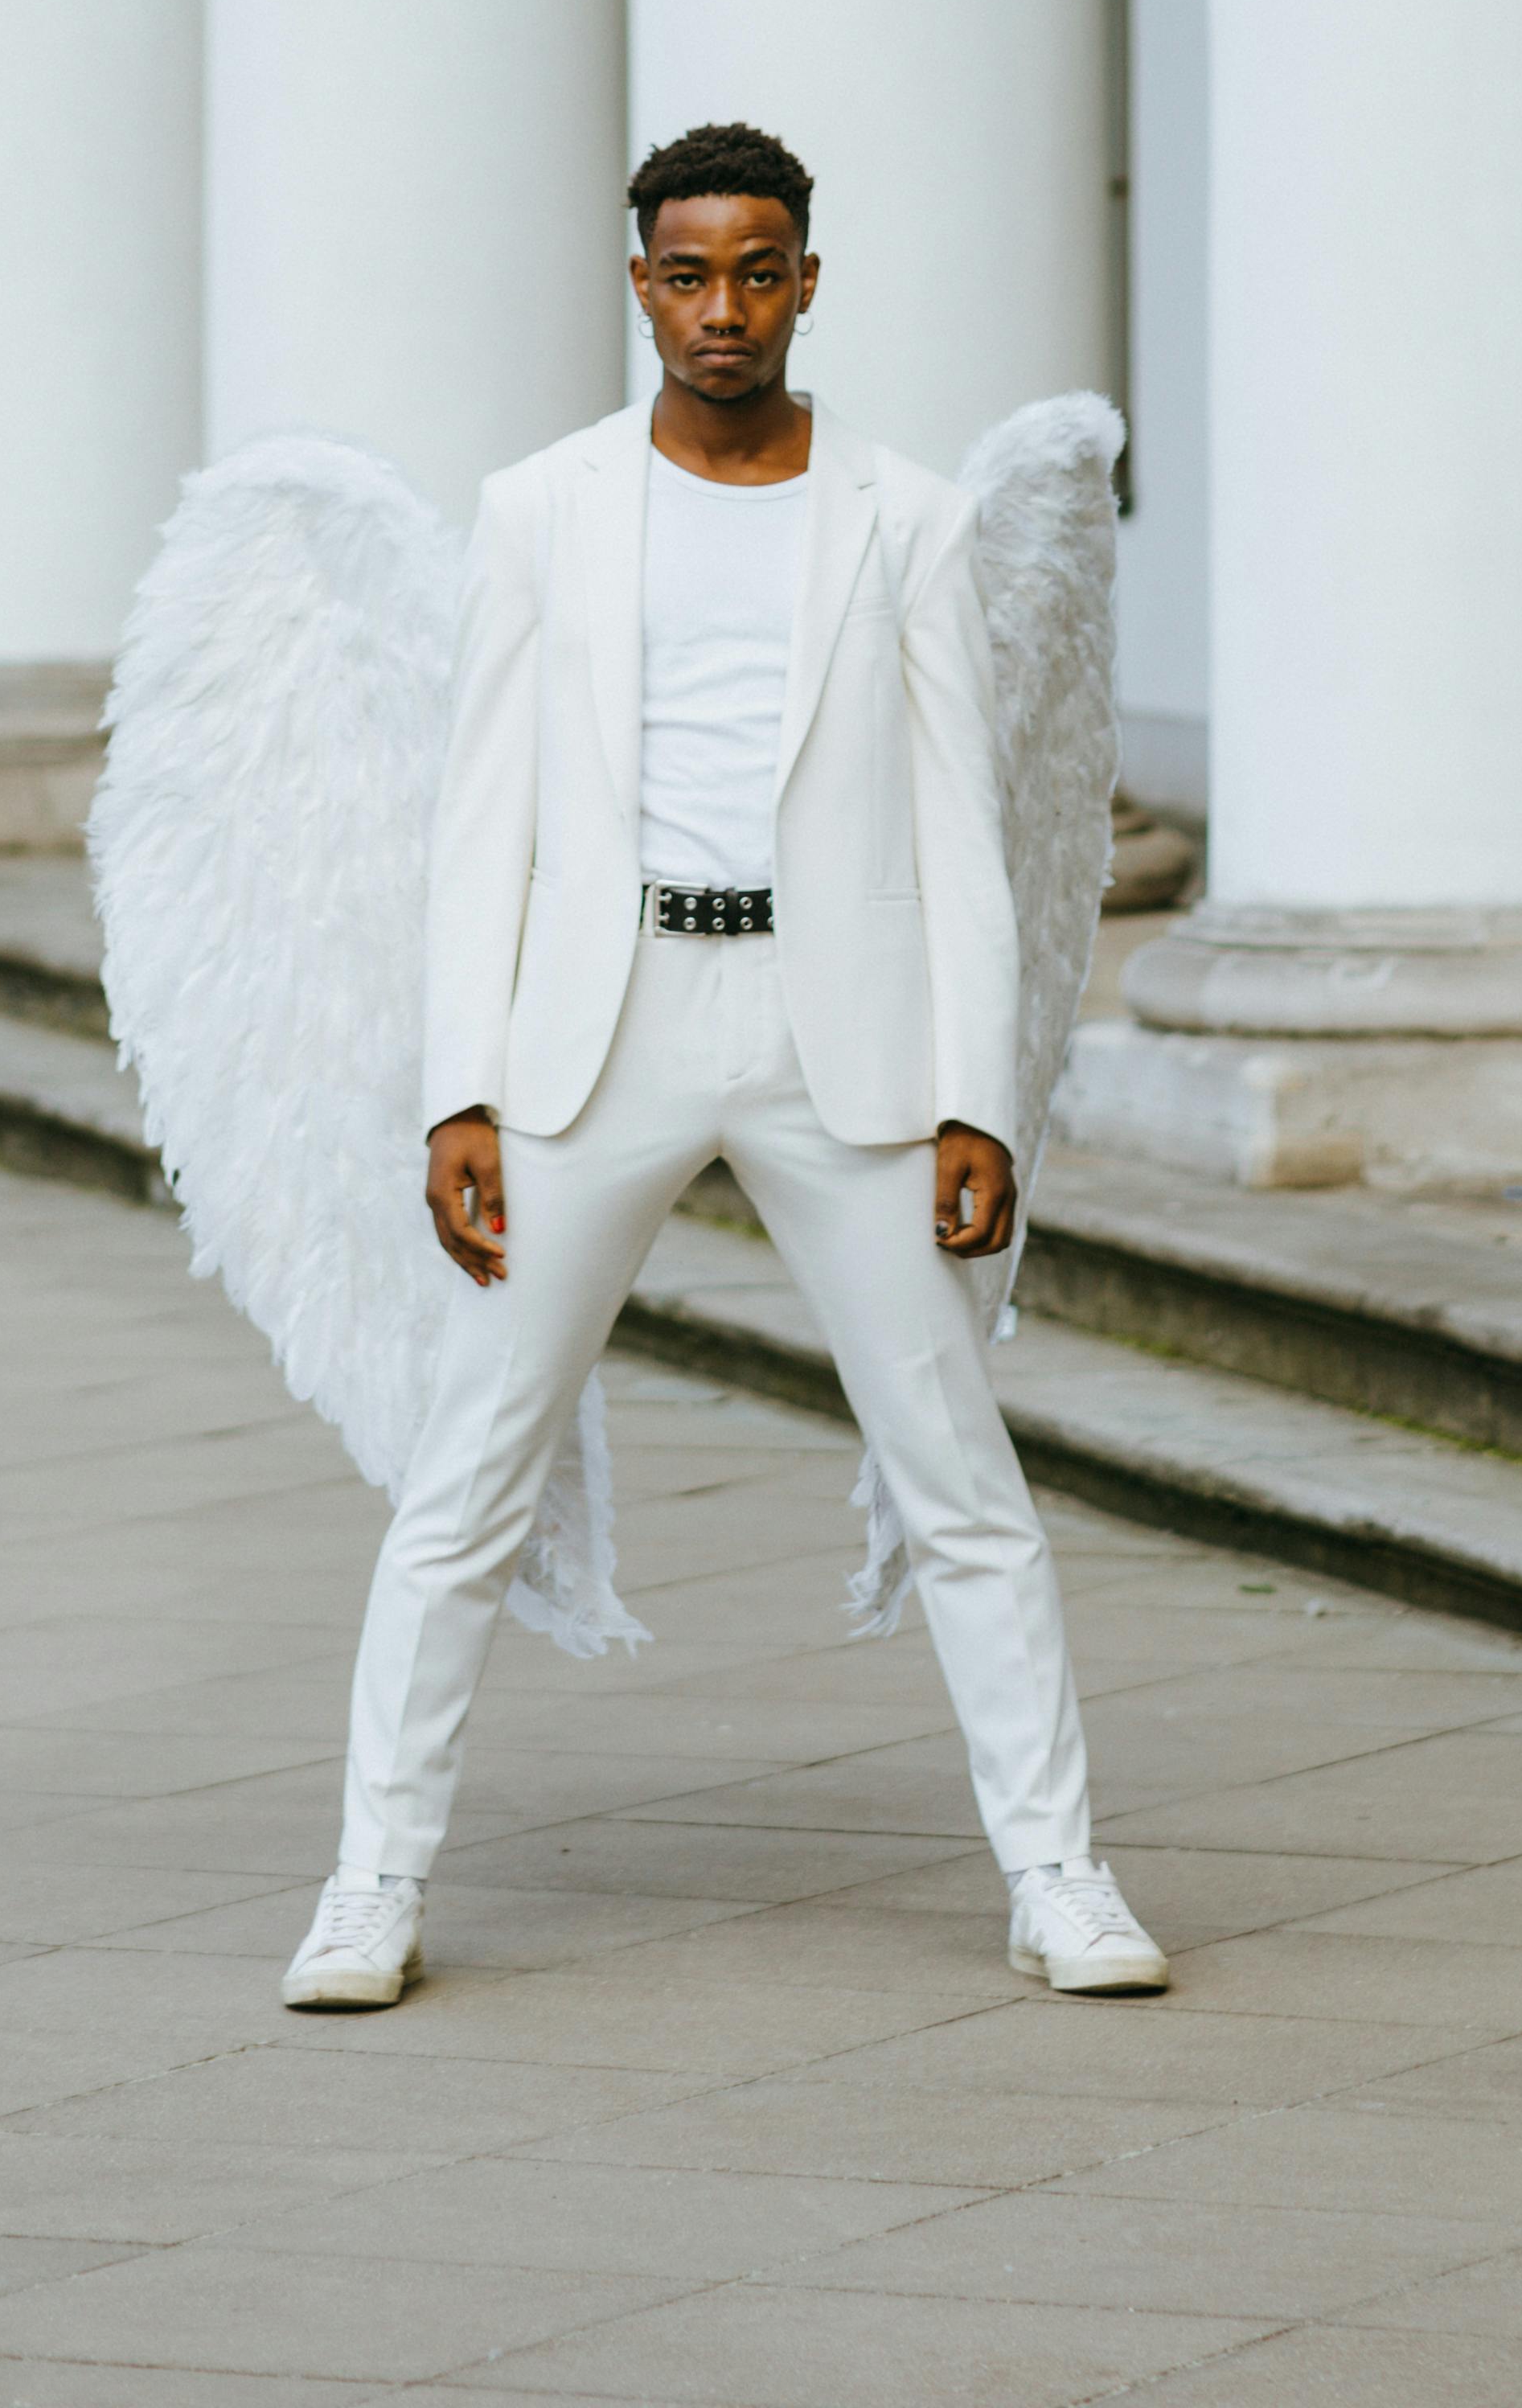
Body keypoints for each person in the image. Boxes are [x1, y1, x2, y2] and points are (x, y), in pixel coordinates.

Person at [282, 119, 1167, 2015]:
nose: (720, 309)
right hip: (591, 1041)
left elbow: (961, 832)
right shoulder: (545, 508)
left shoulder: (903, 516)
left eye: (756, 270)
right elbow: (479, 819)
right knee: (468, 1476)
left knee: (960, 1476)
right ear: (638, 286)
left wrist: (978, 1099)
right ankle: (371, 1883)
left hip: (832, 1041)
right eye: (685, 274)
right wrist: (457, 1089)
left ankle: (1057, 1877)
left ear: (807, 281)